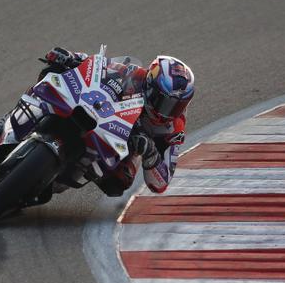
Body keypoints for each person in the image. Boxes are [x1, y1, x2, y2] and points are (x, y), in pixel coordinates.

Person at [39, 46, 194, 196]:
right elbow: (95, 64)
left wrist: (150, 151)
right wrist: (71, 57)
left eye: (176, 106)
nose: (166, 112)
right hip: (99, 113)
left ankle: (70, 173)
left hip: (124, 143)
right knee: (53, 73)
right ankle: (27, 116)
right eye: (164, 102)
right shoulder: (134, 74)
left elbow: (161, 183)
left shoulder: (174, 129)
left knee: (121, 182)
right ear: (150, 85)